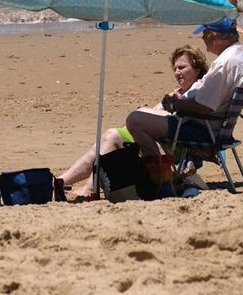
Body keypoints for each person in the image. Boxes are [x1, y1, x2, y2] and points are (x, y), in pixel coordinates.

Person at [55, 45, 209, 200]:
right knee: (108, 138)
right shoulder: (178, 92)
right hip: (153, 139)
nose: (177, 72)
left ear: (197, 69)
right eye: (175, 69)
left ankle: (81, 186)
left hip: (170, 145)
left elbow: (188, 122)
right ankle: (61, 182)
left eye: (182, 67)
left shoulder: (197, 92)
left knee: (111, 137)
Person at [125, 17, 243, 178]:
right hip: (216, 127)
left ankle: (162, 176)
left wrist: (176, 105)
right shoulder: (240, 57)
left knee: (135, 120)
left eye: (205, 33)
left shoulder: (225, 63)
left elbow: (204, 106)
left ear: (214, 36)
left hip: (203, 129)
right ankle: (164, 173)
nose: (202, 37)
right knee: (144, 113)